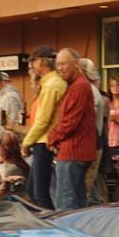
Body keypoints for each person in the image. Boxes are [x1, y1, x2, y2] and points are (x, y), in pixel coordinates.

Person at [47, 48, 97, 210]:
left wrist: (52, 138)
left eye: (63, 64)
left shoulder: (79, 87)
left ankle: (66, 234)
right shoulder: (76, 85)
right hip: (76, 152)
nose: (60, 68)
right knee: (77, 203)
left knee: (65, 204)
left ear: (76, 64)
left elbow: (69, 121)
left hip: (73, 152)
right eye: (57, 65)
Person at [21, 45, 67, 209]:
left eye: (33, 61)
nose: (31, 66)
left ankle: (49, 223)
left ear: (41, 62)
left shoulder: (52, 85)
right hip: (44, 140)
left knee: (39, 192)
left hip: (44, 141)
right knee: (34, 191)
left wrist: (26, 143)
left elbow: (43, 120)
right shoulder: (51, 83)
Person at [78, 58, 108, 205]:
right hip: (92, 144)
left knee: (85, 188)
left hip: (90, 145)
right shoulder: (90, 89)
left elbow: (88, 121)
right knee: (92, 187)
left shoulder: (90, 90)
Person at [107, 75, 119, 199]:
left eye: (117, 85)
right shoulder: (107, 103)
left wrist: (117, 119)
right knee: (109, 173)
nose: (115, 88)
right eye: (112, 86)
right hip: (108, 140)